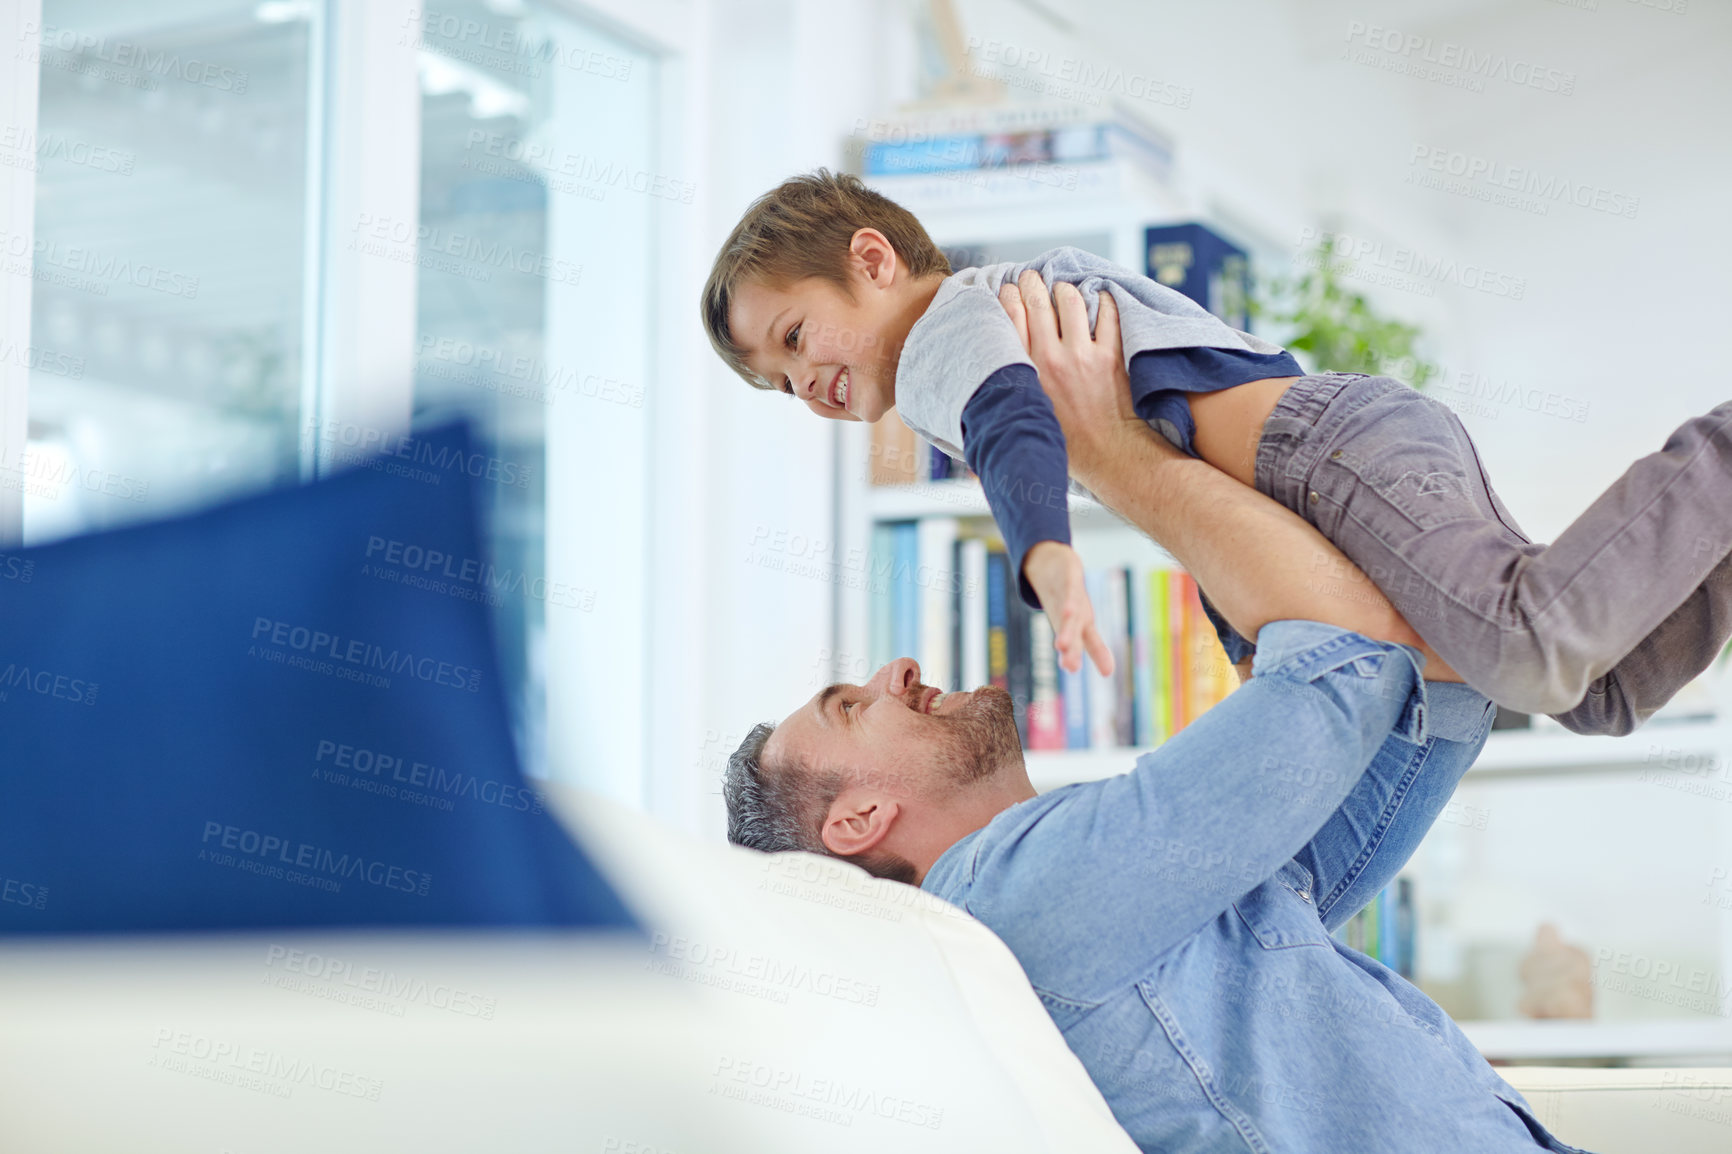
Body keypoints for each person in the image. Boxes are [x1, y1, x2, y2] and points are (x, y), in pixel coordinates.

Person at [721, 299, 1596, 1152]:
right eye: (851, 705)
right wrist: (1108, 449)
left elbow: (1425, 705)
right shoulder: (1008, 898)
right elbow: (1351, 671)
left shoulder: (1083, 899)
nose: (896, 671)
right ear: (856, 823)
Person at [701, 169, 1732, 735]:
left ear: (871, 261)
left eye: (795, 338)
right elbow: (1175, 438)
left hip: (1320, 453)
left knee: (1526, 641)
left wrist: (1043, 551)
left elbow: (1012, 418)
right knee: (1591, 688)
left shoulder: (941, 333)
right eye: (782, 384)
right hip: (1337, 452)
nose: (810, 386)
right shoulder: (993, 302)